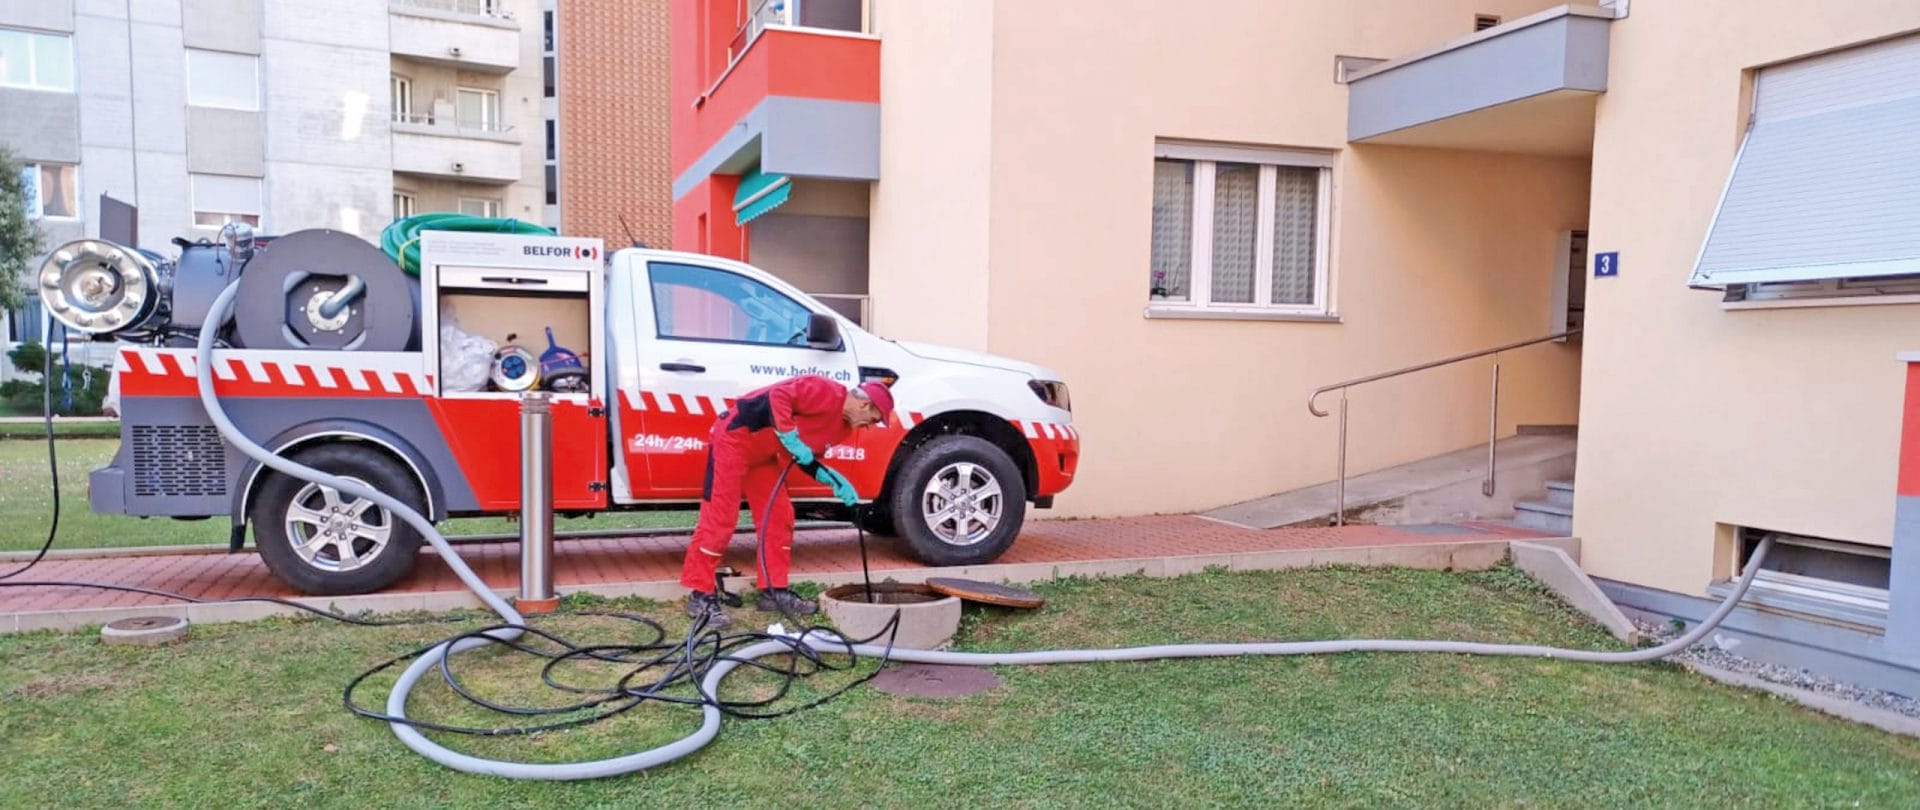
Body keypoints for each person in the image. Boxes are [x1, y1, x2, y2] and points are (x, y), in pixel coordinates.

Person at [680, 375, 894, 627]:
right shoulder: (825, 391)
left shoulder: (843, 428)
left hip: (764, 457)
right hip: (734, 438)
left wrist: (832, 479)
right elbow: (777, 397)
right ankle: (700, 595)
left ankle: (773, 591)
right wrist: (790, 436)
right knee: (720, 518)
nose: (868, 426)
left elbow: (805, 458)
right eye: (873, 420)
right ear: (864, 405)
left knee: (780, 516)